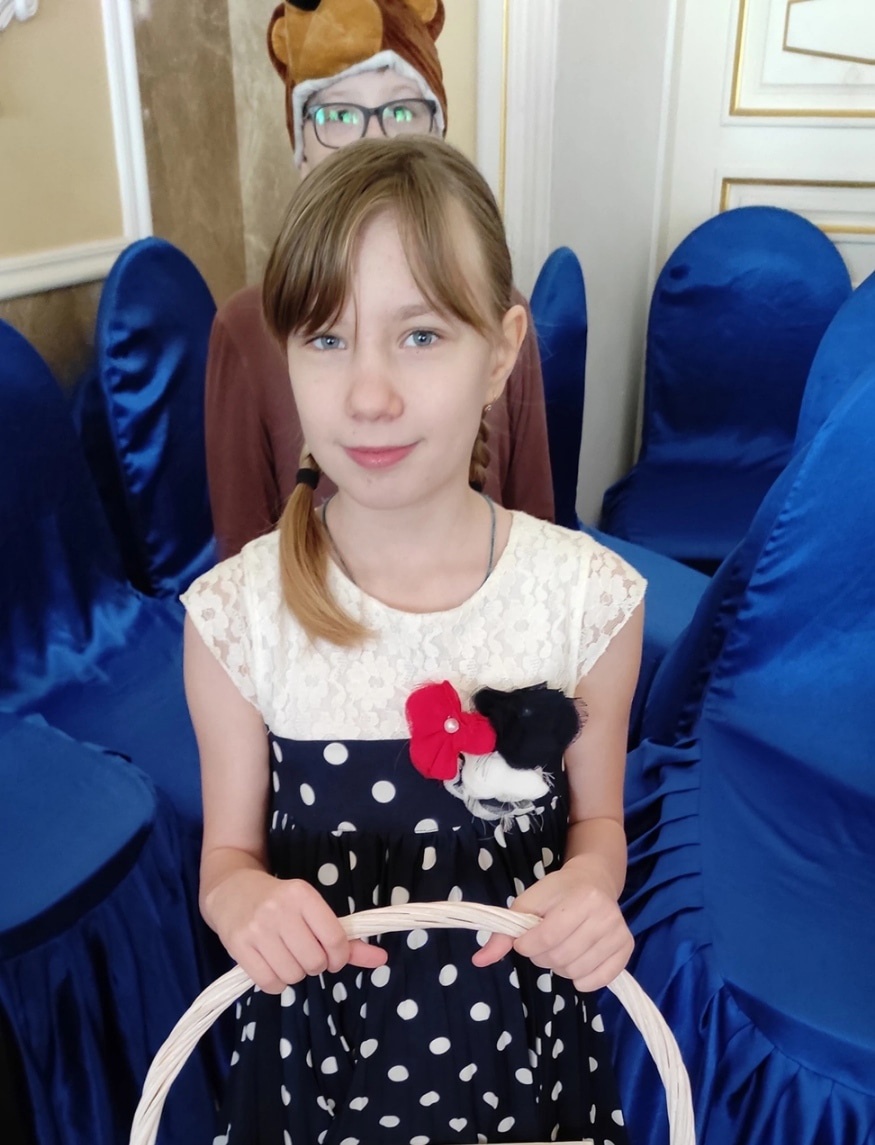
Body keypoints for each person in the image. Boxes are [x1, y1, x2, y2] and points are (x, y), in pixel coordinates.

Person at [182, 135, 645, 1145]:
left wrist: (591, 883)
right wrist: (241, 900)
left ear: (501, 351)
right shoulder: (234, 619)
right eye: (325, 338)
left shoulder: (587, 601)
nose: (368, 394)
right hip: (320, 1058)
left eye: (421, 334)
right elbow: (227, 855)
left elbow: (598, 823)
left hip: (518, 1047)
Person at [205, 0, 555, 560]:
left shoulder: (498, 311)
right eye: (338, 115)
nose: (372, 144)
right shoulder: (246, 326)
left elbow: (536, 528)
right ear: (300, 151)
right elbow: (241, 560)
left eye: (401, 110)